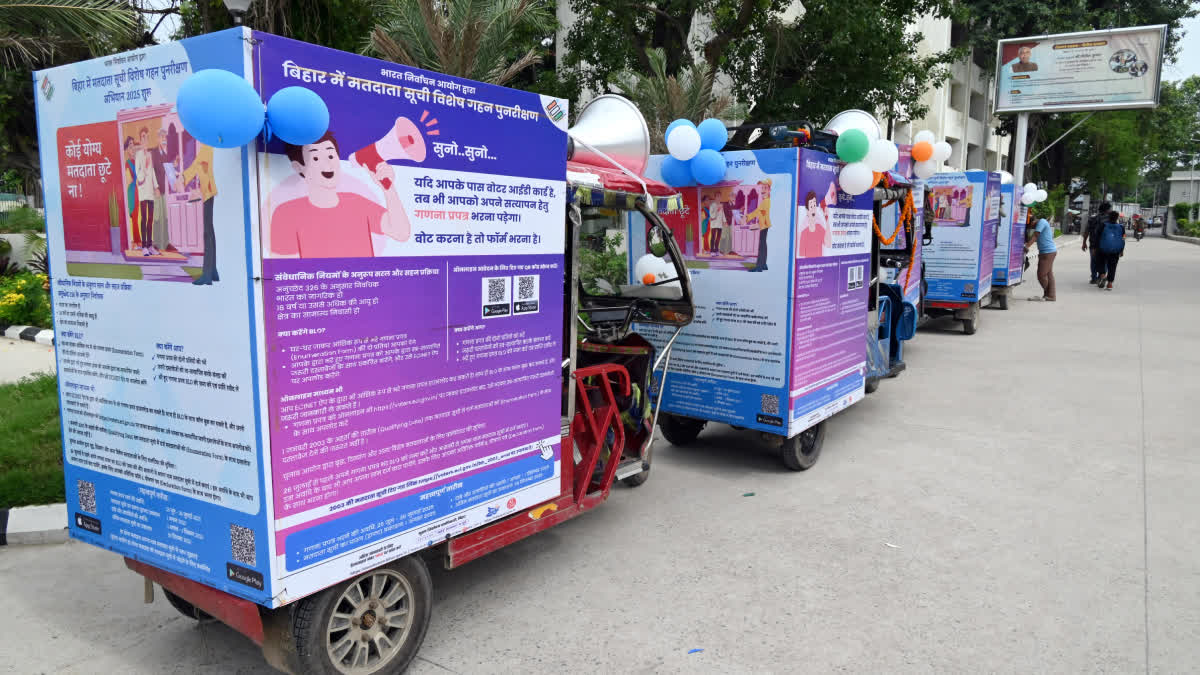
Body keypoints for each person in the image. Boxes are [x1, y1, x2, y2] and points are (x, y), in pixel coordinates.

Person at [270, 130, 411, 258]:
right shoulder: (286, 213)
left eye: (331, 155)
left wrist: (389, 189)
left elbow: (401, 232)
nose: (327, 164)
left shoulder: (357, 203)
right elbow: (282, 266)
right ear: (299, 167)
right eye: (315, 158)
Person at [181, 142, 218, 284]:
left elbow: (196, 165)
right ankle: (213, 271)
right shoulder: (207, 146)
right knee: (210, 231)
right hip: (208, 192)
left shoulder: (208, 146)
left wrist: (183, 178)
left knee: (207, 233)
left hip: (208, 192)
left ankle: (207, 274)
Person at [149, 128, 174, 254]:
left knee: (164, 217)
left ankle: (164, 243)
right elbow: (151, 171)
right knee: (157, 217)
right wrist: (156, 187)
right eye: (162, 137)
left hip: (165, 190)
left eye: (165, 137)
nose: (164, 139)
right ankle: (157, 243)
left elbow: (168, 171)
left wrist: (174, 165)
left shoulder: (165, 154)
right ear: (158, 138)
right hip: (157, 190)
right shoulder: (154, 152)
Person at [134, 128, 158, 256]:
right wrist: (143, 170)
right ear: (140, 139)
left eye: (147, 137)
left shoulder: (149, 154)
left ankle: (150, 245)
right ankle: (144, 247)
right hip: (143, 191)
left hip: (150, 191)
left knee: (150, 219)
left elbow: (153, 171)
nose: (145, 139)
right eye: (143, 137)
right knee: (143, 218)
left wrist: (156, 186)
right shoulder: (138, 155)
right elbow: (137, 173)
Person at [1025, 213, 1056, 301]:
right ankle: (1051, 295)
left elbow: (1035, 235)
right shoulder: (1041, 223)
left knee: (1041, 275)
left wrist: (1026, 246)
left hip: (1048, 252)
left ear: (1034, 221)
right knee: (1049, 274)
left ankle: (1048, 294)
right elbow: (1033, 236)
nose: (1032, 228)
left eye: (1031, 226)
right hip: (1047, 252)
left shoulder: (1041, 222)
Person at [797, 186, 833, 258]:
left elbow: (828, 244)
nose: (813, 207)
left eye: (814, 204)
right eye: (811, 205)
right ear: (807, 210)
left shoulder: (819, 228)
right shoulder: (804, 232)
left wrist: (827, 219)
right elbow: (801, 256)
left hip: (819, 264)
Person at [1081, 201, 1111, 284]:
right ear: (1107, 209)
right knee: (1105, 261)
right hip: (1106, 244)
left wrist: (1084, 243)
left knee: (1094, 261)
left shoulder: (1092, 218)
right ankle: (1102, 276)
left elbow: (1087, 231)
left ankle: (1094, 278)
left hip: (1094, 244)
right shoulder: (1110, 219)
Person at [1096, 210, 1125, 290]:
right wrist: (1122, 250)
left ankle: (1103, 276)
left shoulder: (1103, 225)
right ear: (1117, 218)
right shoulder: (1121, 227)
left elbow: (1097, 237)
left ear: (1109, 217)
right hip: (1115, 250)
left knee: (1101, 263)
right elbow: (1123, 239)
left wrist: (1096, 248)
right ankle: (1110, 284)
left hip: (1103, 249)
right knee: (1112, 266)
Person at [749, 180, 772, 272]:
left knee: (760, 245)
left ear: (769, 190)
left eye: (765, 188)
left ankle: (759, 266)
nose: (762, 190)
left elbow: (757, 212)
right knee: (763, 244)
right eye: (761, 188)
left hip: (763, 225)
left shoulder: (766, 201)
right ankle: (763, 264)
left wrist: (747, 218)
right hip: (763, 224)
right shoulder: (763, 200)